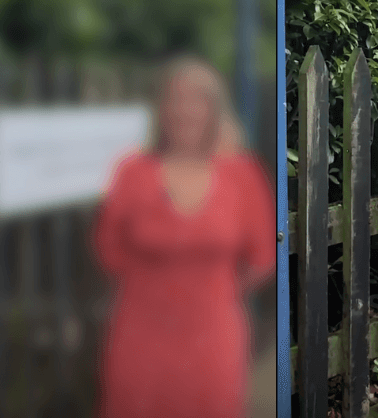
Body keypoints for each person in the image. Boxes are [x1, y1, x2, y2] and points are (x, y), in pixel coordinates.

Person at [93, 57, 275, 418]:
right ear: (161, 109)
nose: (185, 110)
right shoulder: (132, 172)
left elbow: (261, 256)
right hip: (140, 337)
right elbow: (108, 249)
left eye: (197, 100)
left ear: (215, 109)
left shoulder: (242, 174)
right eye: (176, 99)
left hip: (214, 339)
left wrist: (210, 292)